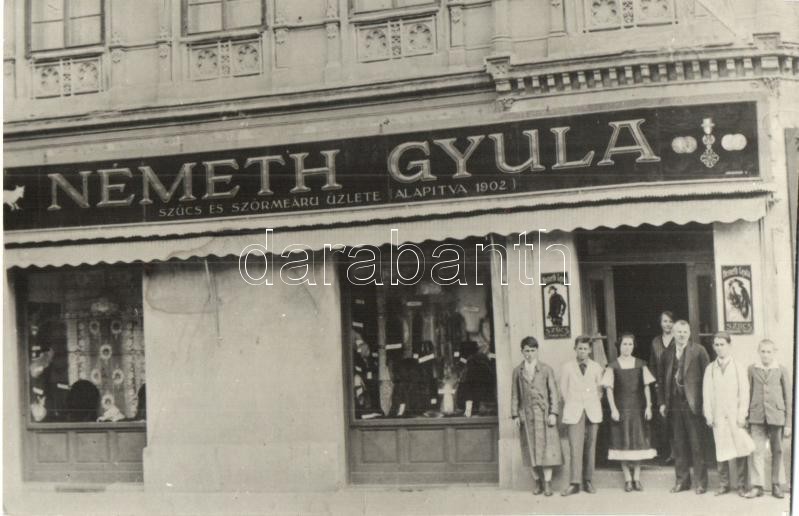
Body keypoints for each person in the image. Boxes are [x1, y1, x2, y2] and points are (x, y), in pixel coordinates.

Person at [658, 320, 710, 494]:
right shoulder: (667, 353)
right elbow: (661, 379)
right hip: (674, 404)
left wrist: (705, 404)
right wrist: (662, 402)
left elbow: (707, 379)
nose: (682, 335)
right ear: (673, 333)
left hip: (693, 404)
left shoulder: (699, 351)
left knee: (697, 444)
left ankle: (701, 483)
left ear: (689, 333)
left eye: (685, 332)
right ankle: (682, 481)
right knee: (679, 445)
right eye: (678, 332)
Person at [603, 333, 656, 492]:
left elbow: (646, 387)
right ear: (619, 346)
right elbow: (609, 389)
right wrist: (613, 409)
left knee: (637, 442)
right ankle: (627, 479)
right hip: (621, 409)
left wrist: (648, 406)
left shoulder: (641, 364)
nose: (627, 347)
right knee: (623, 441)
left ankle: (637, 478)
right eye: (624, 344)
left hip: (637, 408)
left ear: (634, 346)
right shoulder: (612, 366)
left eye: (630, 344)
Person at [702, 332, 753, 497]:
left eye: (722, 344)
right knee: (721, 449)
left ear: (729, 346)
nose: (719, 348)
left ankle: (741, 485)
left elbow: (744, 393)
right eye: (716, 345)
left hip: (735, 415)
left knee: (740, 449)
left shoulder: (738, 367)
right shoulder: (710, 369)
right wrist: (709, 415)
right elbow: (706, 394)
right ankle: (724, 484)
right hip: (718, 415)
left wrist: (742, 415)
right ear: (713, 347)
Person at [511, 336, 562, 496]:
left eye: (532, 350)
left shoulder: (546, 369)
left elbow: (554, 393)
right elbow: (514, 395)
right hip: (526, 417)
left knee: (547, 450)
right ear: (522, 351)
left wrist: (553, 413)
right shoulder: (518, 371)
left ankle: (547, 484)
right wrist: (515, 415)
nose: (529, 354)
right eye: (526, 351)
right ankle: (537, 482)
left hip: (544, 416)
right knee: (530, 451)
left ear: (537, 351)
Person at [745, 339, 792, 499]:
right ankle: (757, 486)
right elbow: (748, 393)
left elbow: (788, 397)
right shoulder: (752, 369)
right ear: (759, 352)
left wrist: (788, 423)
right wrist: (747, 416)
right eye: (763, 351)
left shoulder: (781, 370)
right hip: (757, 416)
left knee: (777, 451)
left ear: (774, 352)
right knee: (756, 450)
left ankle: (776, 484)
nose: (765, 355)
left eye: (769, 352)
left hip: (776, 416)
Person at [560, 335, 604, 496]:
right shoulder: (567, 367)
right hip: (574, 410)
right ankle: (575, 483)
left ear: (590, 350)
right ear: (575, 349)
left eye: (585, 348)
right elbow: (563, 390)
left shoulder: (596, 367)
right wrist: (574, 403)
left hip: (592, 410)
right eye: (580, 348)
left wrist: (590, 402)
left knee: (591, 447)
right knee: (575, 447)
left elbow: (600, 390)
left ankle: (588, 481)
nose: (582, 351)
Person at [649, 310, 675, 464]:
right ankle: (667, 452)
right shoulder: (655, 342)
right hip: (660, 385)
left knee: (676, 419)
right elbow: (652, 363)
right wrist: (655, 383)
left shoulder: (678, 339)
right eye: (665, 321)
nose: (668, 324)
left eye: (671, 321)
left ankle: (676, 453)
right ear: (660, 323)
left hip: (675, 385)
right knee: (663, 419)